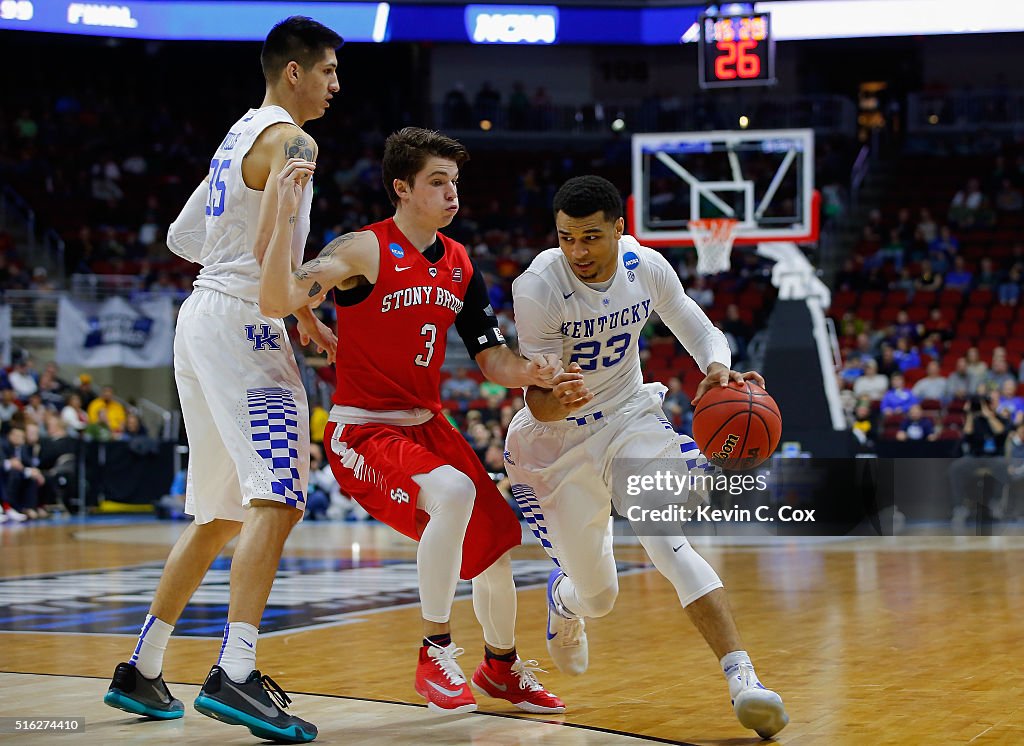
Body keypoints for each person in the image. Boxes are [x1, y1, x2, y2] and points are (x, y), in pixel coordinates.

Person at [260, 127, 567, 715]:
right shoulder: (363, 249)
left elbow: (491, 358)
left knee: (497, 542)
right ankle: (435, 650)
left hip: (426, 425)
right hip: (363, 429)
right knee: (452, 493)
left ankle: (500, 668)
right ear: (401, 189)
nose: (452, 194)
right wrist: (303, 308)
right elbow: (278, 293)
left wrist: (535, 372)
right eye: (437, 182)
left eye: (454, 182)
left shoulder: (458, 263)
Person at [102, 17, 342, 744]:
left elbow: (185, 240)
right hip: (243, 325)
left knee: (219, 514)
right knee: (280, 493)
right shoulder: (296, 142)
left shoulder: (236, 135)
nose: (335, 86)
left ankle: (142, 667)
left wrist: (282, 294)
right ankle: (236, 673)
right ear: (293, 73)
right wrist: (299, 297)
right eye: (328, 72)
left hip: (201, 315)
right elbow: (272, 283)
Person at [502, 175, 788, 739]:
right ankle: (565, 596)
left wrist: (715, 364)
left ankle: (744, 680)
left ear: (619, 229)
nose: (578, 251)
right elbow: (535, 399)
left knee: (666, 537)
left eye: (590, 237)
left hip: (630, 416)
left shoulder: (644, 267)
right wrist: (556, 398)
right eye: (566, 238)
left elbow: (694, 324)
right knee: (600, 597)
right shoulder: (538, 286)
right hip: (557, 442)